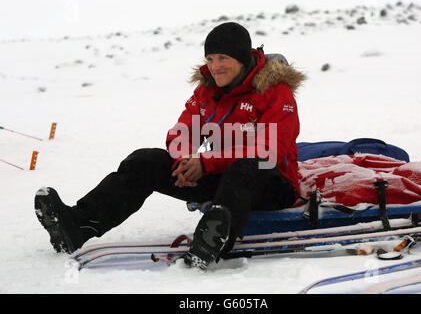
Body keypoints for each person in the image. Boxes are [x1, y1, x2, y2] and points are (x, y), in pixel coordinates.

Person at [34, 22, 306, 270]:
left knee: (244, 167)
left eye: (223, 58)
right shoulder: (206, 91)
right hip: (223, 181)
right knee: (145, 161)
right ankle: (78, 225)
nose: (215, 66)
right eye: (210, 59)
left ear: (243, 58)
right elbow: (184, 130)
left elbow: (269, 149)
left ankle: (213, 242)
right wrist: (183, 161)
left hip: (272, 183)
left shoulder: (275, 92)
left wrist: (207, 163)